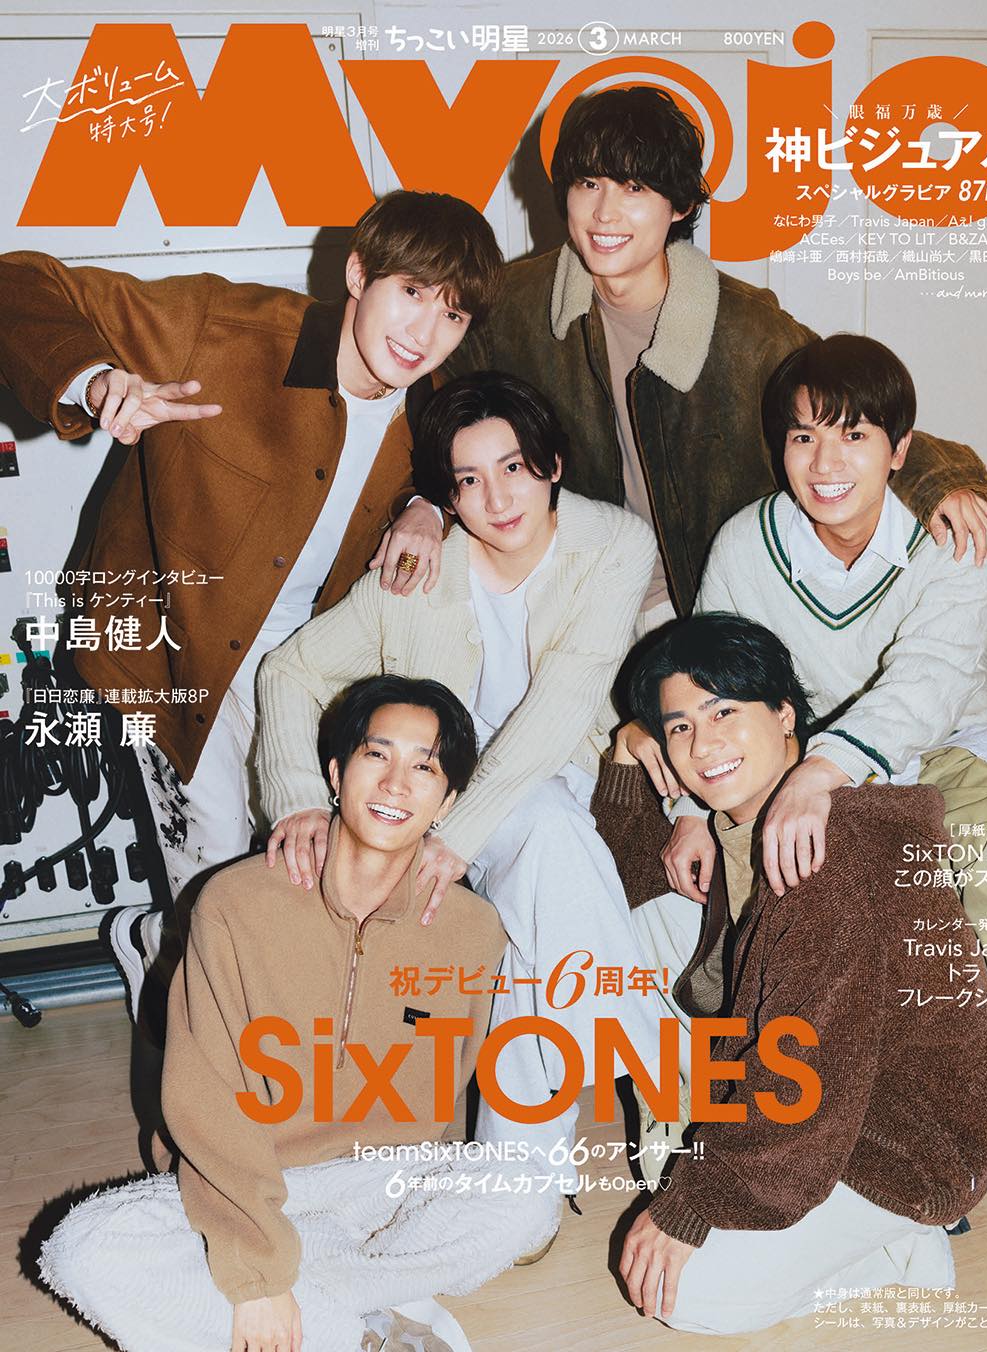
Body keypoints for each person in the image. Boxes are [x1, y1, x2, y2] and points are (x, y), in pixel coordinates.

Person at [0, 191, 504, 1019]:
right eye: (411, 292)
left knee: (308, 865)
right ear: (357, 273)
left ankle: (162, 947)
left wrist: (429, 505)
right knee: (217, 877)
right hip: (173, 658)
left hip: (301, 672)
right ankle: (198, 1024)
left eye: (451, 314)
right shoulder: (221, 328)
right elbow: (17, 281)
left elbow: (480, 472)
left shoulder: (434, 405)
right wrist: (97, 383)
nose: (424, 332)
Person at [638, 334, 987, 1256]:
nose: (825, 464)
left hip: (947, 734)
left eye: (854, 436)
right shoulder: (748, 543)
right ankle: (804, 1131)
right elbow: (716, 685)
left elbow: (931, 675)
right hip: (803, 751)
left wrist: (824, 771)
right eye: (803, 437)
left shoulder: (960, 529)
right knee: (781, 902)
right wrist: (692, 810)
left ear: (901, 450)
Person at [39, 676, 557, 1352]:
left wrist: (268, 1278)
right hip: (249, 1180)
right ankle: (354, 1322)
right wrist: (256, 1264)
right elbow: (206, 1095)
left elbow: (440, 1090)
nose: (396, 784)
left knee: (527, 1194)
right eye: (377, 755)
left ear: (447, 801)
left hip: (375, 1182)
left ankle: (315, 1310)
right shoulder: (235, 902)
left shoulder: (472, 929)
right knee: (81, 1249)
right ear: (336, 775)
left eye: (424, 768)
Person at [255, 371, 664, 1184]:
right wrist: (298, 798)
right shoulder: (418, 573)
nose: (498, 498)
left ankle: (520, 1180)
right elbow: (287, 671)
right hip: (433, 802)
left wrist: (459, 838)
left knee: (540, 861)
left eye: (514, 467)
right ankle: (662, 1065)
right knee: (542, 853)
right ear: (448, 494)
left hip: (563, 777)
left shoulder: (615, 545)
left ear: (552, 464)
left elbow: (562, 707)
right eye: (469, 481)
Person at [426, 85, 987, 633]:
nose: (604, 213)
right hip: (567, 600)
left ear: (679, 205)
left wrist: (937, 479)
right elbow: (425, 399)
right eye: (588, 183)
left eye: (634, 188)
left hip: (707, 608)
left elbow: (850, 411)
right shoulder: (515, 308)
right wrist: (422, 507)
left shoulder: (748, 331)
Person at [589, 614, 987, 1336]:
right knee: (629, 926)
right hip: (823, 1106)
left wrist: (695, 1203)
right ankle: (777, 1198)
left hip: (897, 1145)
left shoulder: (835, 849)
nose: (704, 744)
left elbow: (807, 1074)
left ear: (785, 714)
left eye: (724, 712)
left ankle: (904, 1250)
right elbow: (616, 885)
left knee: (685, 1295)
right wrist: (628, 751)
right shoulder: (737, 824)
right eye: (681, 727)